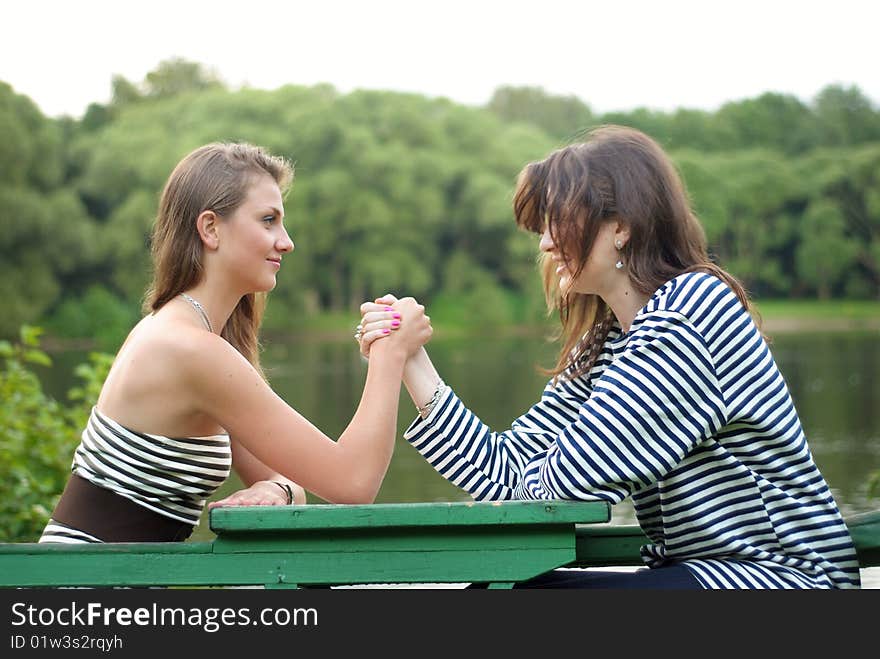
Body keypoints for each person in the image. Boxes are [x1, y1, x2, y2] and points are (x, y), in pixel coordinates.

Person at [358, 125, 861, 589]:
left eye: (558, 221)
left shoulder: (689, 315)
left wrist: (528, 483)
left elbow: (555, 487)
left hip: (784, 581)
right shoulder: (606, 347)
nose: (547, 242)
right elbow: (508, 473)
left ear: (619, 226)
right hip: (704, 577)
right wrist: (410, 360)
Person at [39, 142, 431, 544]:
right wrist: (391, 351)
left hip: (112, 591)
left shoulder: (194, 337)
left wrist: (275, 489)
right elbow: (353, 482)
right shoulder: (189, 350)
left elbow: (287, 479)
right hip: (82, 594)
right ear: (210, 228)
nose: (286, 241)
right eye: (268, 220)